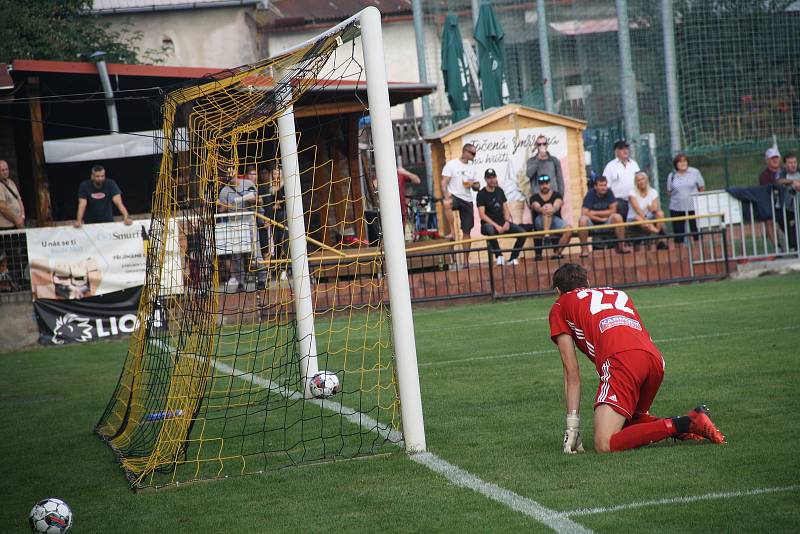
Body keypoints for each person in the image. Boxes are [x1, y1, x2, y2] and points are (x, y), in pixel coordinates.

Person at [548, 262, 726, 453]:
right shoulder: (617, 293)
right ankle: (689, 426)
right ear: (588, 282)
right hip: (654, 360)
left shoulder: (560, 305)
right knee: (627, 422)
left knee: (604, 444)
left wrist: (572, 426)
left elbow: (571, 373)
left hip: (622, 361)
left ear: (558, 291)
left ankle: (683, 424)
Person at [476, 168, 528, 266]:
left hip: (502, 222)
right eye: (489, 178)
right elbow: (482, 215)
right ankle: (499, 256)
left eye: (493, 177)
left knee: (522, 233)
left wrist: (507, 222)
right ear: (485, 180)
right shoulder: (481, 194)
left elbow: (506, 208)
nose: (492, 180)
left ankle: (513, 258)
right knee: (490, 231)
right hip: (488, 224)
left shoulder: (500, 191)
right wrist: (496, 226)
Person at [218, 165, 258, 291]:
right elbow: (221, 210)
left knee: (256, 252)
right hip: (234, 225)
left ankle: (261, 279)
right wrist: (227, 206)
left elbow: (258, 200)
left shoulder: (247, 183)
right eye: (228, 173)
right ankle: (241, 282)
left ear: (236, 171)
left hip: (249, 222)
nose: (230, 175)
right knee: (237, 256)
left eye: (232, 171)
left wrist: (251, 199)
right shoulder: (224, 191)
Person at [441, 144, 480, 264]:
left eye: (475, 153)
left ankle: (466, 261)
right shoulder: (452, 164)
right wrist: (446, 193)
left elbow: (478, 187)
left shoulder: (472, 168)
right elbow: (444, 182)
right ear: (465, 152)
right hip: (455, 196)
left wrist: (472, 184)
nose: (474, 156)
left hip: (467, 199)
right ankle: (452, 231)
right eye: (472, 153)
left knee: (467, 231)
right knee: (446, 202)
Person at [578, 176, 632, 256]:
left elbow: (613, 210)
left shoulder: (609, 192)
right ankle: (584, 250)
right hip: (593, 223)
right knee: (582, 220)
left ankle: (622, 246)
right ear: (595, 187)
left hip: (606, 221)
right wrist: (599, 219)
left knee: (617, 217)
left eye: (605, 185)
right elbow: (584, 212)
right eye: (601, 185)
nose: (604, 188)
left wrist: (595, 213)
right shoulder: (590, 194)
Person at [530, 174, 573, 260]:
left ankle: (557, 253)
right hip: (540, 222)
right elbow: (536, 206)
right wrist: (544, 209)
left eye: (546, 183)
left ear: (549, 184)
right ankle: (546, 235)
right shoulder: (534, 197)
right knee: (547, 207)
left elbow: (558, 203)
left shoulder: (556, 194)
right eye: (542, 184)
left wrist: (552, 209)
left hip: (554, 221)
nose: (544, 185)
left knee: (569, 229)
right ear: (539, 185)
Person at [666, 153, 705, 243]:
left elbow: (702, 188)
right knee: (679, 234)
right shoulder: (671, 175)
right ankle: (680, 253)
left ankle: (698, 252)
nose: (683, 163)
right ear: (676, 164)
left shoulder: (695, 172)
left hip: (694, 207)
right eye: (680, 162)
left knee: (696, 232)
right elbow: (669, 191)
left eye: (684, 161)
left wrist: (698, 199)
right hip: (676, 208)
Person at [0, 160, 26, 291]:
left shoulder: (11, 183)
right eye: (2, 170)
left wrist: (22, 215)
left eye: (6, 169)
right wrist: (17, 220)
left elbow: (19, 199)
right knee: (11, 254)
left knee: (22, 251)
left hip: (17, 223)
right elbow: (3, 207)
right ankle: (13, 282)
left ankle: (18, 279)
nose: (5, 172)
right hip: (6, 227)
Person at [627, 171, 666, 248]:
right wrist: (645, 219)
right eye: (638, 180)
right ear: (636, 182)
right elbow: (637, 209)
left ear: (646, 180)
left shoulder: (653, 192)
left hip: (649, 219)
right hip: (635, 219)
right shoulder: (632, 193)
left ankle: (656, 233)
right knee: (638, 218)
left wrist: (651, 208)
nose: (641, 181)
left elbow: (655, 209)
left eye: (642, 179)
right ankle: (658, 233)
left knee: (660, 213)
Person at [602, 140, 640, 216]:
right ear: (616, 151)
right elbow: (606, 185)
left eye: (626, 148)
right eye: (622, 149)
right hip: (619, 201)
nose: (625, 151)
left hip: (635, 198)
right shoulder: (610, 166)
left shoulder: (634, 164)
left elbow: (640, 180)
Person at [397, 165, 422, 231]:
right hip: (388, 209)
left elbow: (417, 180)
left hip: (401, 207)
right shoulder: (381, 174)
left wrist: (405, 172)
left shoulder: (399, 173)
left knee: (402, 231)